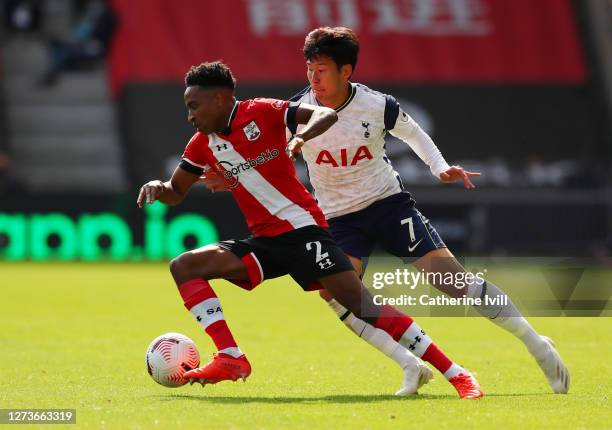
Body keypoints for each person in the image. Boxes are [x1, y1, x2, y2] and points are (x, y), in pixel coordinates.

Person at [137, 61, 483, 399]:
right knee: (185, 266)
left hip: (304, 231)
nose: (190, 115)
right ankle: (230, 356)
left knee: (360, 305)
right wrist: (158, 186)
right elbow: (176, 190)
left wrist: (300, 137)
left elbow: (325, 114)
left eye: (194, 106)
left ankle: (457, 373)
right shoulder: (201, 144)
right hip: (266, 242)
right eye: (187, 107)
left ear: (220, 99)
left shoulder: (264, 111)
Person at [283, 27, 569, 394]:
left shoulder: (376, 105)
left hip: (387, 205)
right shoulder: (295, 111)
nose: (313, 78)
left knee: (451, 282)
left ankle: (536, 344)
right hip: (339, 218)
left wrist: (440, 168)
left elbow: (414, 133)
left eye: (321, 69)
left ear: (346, 71)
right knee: (336, 294)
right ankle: (410, 365)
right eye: (309, 68)